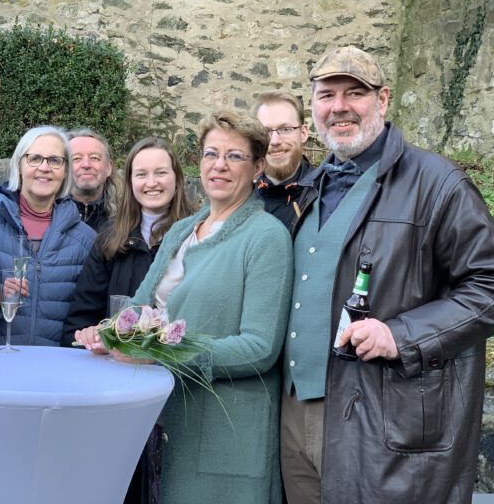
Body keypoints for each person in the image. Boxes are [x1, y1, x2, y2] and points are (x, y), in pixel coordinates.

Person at [280, 45, 494, 504]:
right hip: (296, 413)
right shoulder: (310, 186)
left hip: (384, 418)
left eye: (354, 92)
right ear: (312, 107)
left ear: (383, 99)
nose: (339, 107)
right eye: (326, 95)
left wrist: (403, 334)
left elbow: (488, 287)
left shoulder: (439, 183)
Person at [76, 111, 293, 504]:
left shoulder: (266, 238)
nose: (219, 166)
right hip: (167, 417)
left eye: (234, 157)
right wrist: (109, 335)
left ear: (258, 166)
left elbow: (260, 348)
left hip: (226, 433)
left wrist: (160, 353)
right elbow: (140, 307)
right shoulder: (181, 229)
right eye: (211, 154)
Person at [63, 136, 194, 504]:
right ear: (129, 182)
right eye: (141, 174)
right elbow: (82, 317)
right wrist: (90, 335)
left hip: (177, 383)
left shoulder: (199, 238)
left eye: (160, 172)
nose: (151, 182)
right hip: (120, 387)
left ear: (177, 178)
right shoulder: (110, 241)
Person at [0, 126, 95, 346]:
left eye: (55, 160)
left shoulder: (85, 239)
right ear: (19, 165)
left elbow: (91, 311)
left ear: (65, 170)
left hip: (56, 368)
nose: (45, 168)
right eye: (35, 158)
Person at [252, 90, 314, 231]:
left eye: (285, 129)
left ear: (303, 133)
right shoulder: (240, 196)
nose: (274, 141)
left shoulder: (324, 197)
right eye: (265, 132)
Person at [67, 128, 117, 231]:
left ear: (109, 168)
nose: (86, 165)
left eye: (94, 158)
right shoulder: (48, 214)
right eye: (76, 159)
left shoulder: (128, 216)